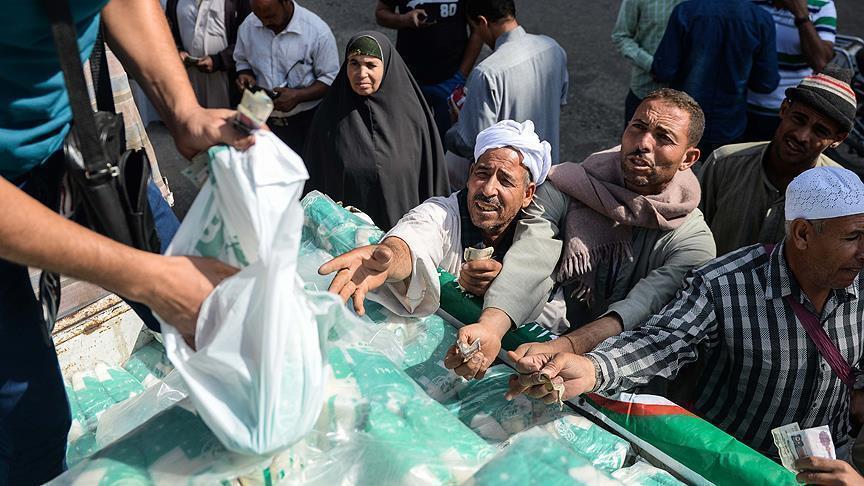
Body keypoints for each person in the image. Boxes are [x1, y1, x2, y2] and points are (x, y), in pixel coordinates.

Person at [0, 0, 254, 483]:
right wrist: (148, 278)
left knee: (220, 316)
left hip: (71, 142)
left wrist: (183, 110)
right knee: (31, 422)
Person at [507, 166, 864, 459]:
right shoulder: (724, 285)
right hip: (733, 468)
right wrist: (593, 368)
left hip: (831, 463)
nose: (863, 251)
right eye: (852, 238)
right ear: (802, 234)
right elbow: (661, 342)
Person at [446, 89, 716, 381]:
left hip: (625, 374)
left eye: (663, 137)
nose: (643, 144)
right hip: (550, 342)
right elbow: (533, 256)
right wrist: (491, 327)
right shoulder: (569, 185)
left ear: (689, 158)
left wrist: (567, 348)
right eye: (638, 127)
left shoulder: (692, 241)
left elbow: (640, 307)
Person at [318, 120, 560, 333]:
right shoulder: (442, 214)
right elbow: (414, 237)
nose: (488, 190)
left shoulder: (537, 232)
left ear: (528, 194)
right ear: (470, 173)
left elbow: (554, 313)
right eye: (482, 174)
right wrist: (390, 260)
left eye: (505, 181)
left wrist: (507, 287)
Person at [303, 31, 450, 231]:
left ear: (386, 66)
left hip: (405, 236)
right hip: (345, 238)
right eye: (354, 63)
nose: (361, 73)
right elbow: (315, 181)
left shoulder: (413, 116)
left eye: (371, 65)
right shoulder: (329, 117)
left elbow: (431, 180)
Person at [700, 68, 855, 256]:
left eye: (820, 131)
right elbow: (692, 236)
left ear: (838, 139)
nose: (801, 136)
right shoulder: (724, 163)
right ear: (784, 109)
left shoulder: (841, 194)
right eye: (798, 119)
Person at [444, 0, 568, 189]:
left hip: (507, 186)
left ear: (483, 22)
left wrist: (458, 122)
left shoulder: (487, 73)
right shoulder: (553, 48)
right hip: (546, 177)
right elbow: (559, 102)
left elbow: (471, 142)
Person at [652, 0, 780, 158]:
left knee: (676, 171)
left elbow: (664, 70)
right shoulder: (761, 19)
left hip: (684, 121)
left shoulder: (686, 11)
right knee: (720, 172)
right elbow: (766, 83)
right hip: (729, 124)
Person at [233, 0, 338, 156]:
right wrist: (245, 74)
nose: (264, 23)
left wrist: (298, 96)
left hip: (306, 125)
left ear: (286, 2)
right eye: (259, 16)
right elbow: (242, 60)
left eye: (270, 16)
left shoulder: (317, 32)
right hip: (263, 122)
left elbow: (331, 78)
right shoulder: (248, 26)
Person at [375, 0, 483, 139]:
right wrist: (404, 20)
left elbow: (478, 30)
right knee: (408, 139)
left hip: (450, 79)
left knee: (447, 142)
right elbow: (381, 13)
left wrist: (461, 75)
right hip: (409, 77)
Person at [745, 0, 837, 142]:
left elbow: (821, 62)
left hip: (787, 113)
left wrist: (802, 16)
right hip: (740, 109)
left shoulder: (822, 5)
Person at [611, 0, 684, 127]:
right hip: (646, 89)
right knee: (637, 138)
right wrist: (651, 65)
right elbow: (621, 36)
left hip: (684, 95)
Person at [166, 0, 251, 108]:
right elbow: (168, 33)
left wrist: (219, 60)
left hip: (225, 79)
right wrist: (177, 51)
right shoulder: (174, 2)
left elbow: (248, 40)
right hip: (188, 78)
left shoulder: (237, 3)